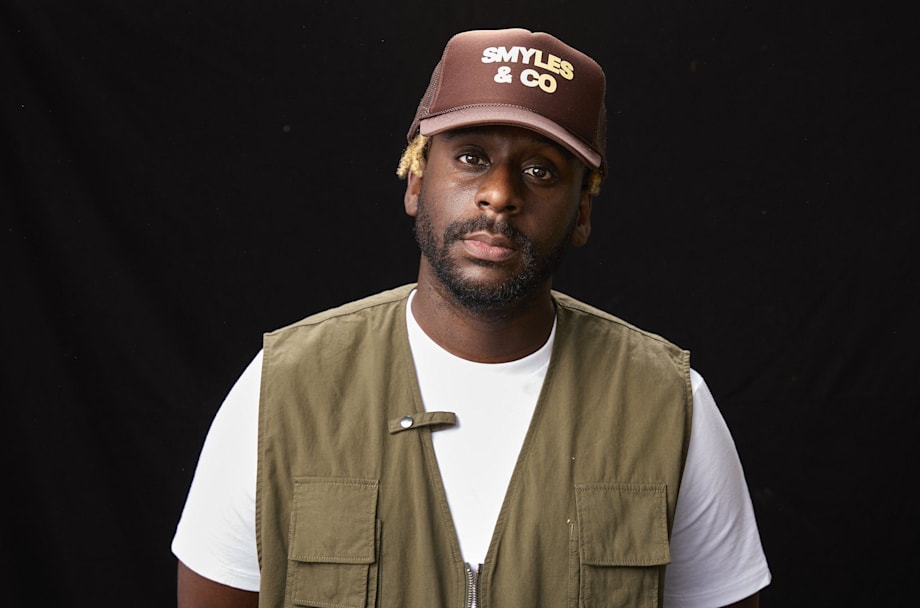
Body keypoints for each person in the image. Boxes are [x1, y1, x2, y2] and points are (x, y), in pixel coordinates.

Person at [173, 28, 770, 607]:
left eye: (542, 171)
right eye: (471, 156)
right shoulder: (285, 389)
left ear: (582, 212)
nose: (499, 194)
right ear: (415, 180)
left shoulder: (668, 404)